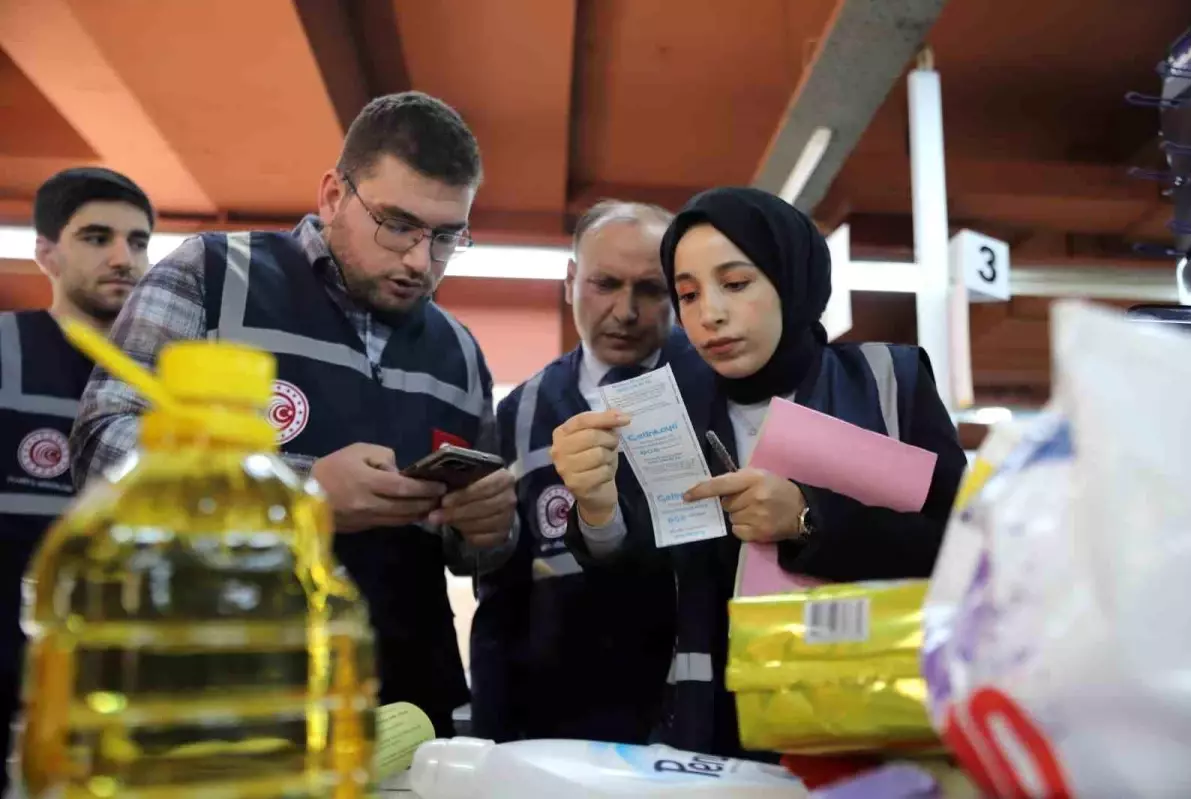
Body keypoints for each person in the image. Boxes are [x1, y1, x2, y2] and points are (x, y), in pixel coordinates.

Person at [70, 92, 518, 737]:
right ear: (334, 195)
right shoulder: (213, 277)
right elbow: (100, 450)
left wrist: (486, 528)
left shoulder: (460, 352)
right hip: (218, 701)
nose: (421, 260)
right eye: (397, 224)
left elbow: (473, 556)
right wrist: (296, 493)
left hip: (405, 710)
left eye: (447, 236)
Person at [554, 187, 966, 756]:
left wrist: (807, 519)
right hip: (708, 738)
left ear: (791, 278)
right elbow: (640, 602)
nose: (710, 314)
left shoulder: (890, 382)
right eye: (688, 294)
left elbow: (964, 551)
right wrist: (598, 511)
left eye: (736, 283)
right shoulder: (665, 412)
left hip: (873, 722)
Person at [470, 201, 710, 743]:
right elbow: (501, 597)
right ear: (571, 280)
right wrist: (491, 737)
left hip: (694, 723)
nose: (625, 311)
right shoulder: (520, 412)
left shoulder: (716, 394)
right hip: (557, 728)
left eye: (650, 289)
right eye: (605, 283)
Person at [0, 167, 154, 788]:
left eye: (138, 241)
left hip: (128, 702)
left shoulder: (170, 383)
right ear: (46, 253)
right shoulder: (7, 350)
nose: (123, 257)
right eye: (96, 237)